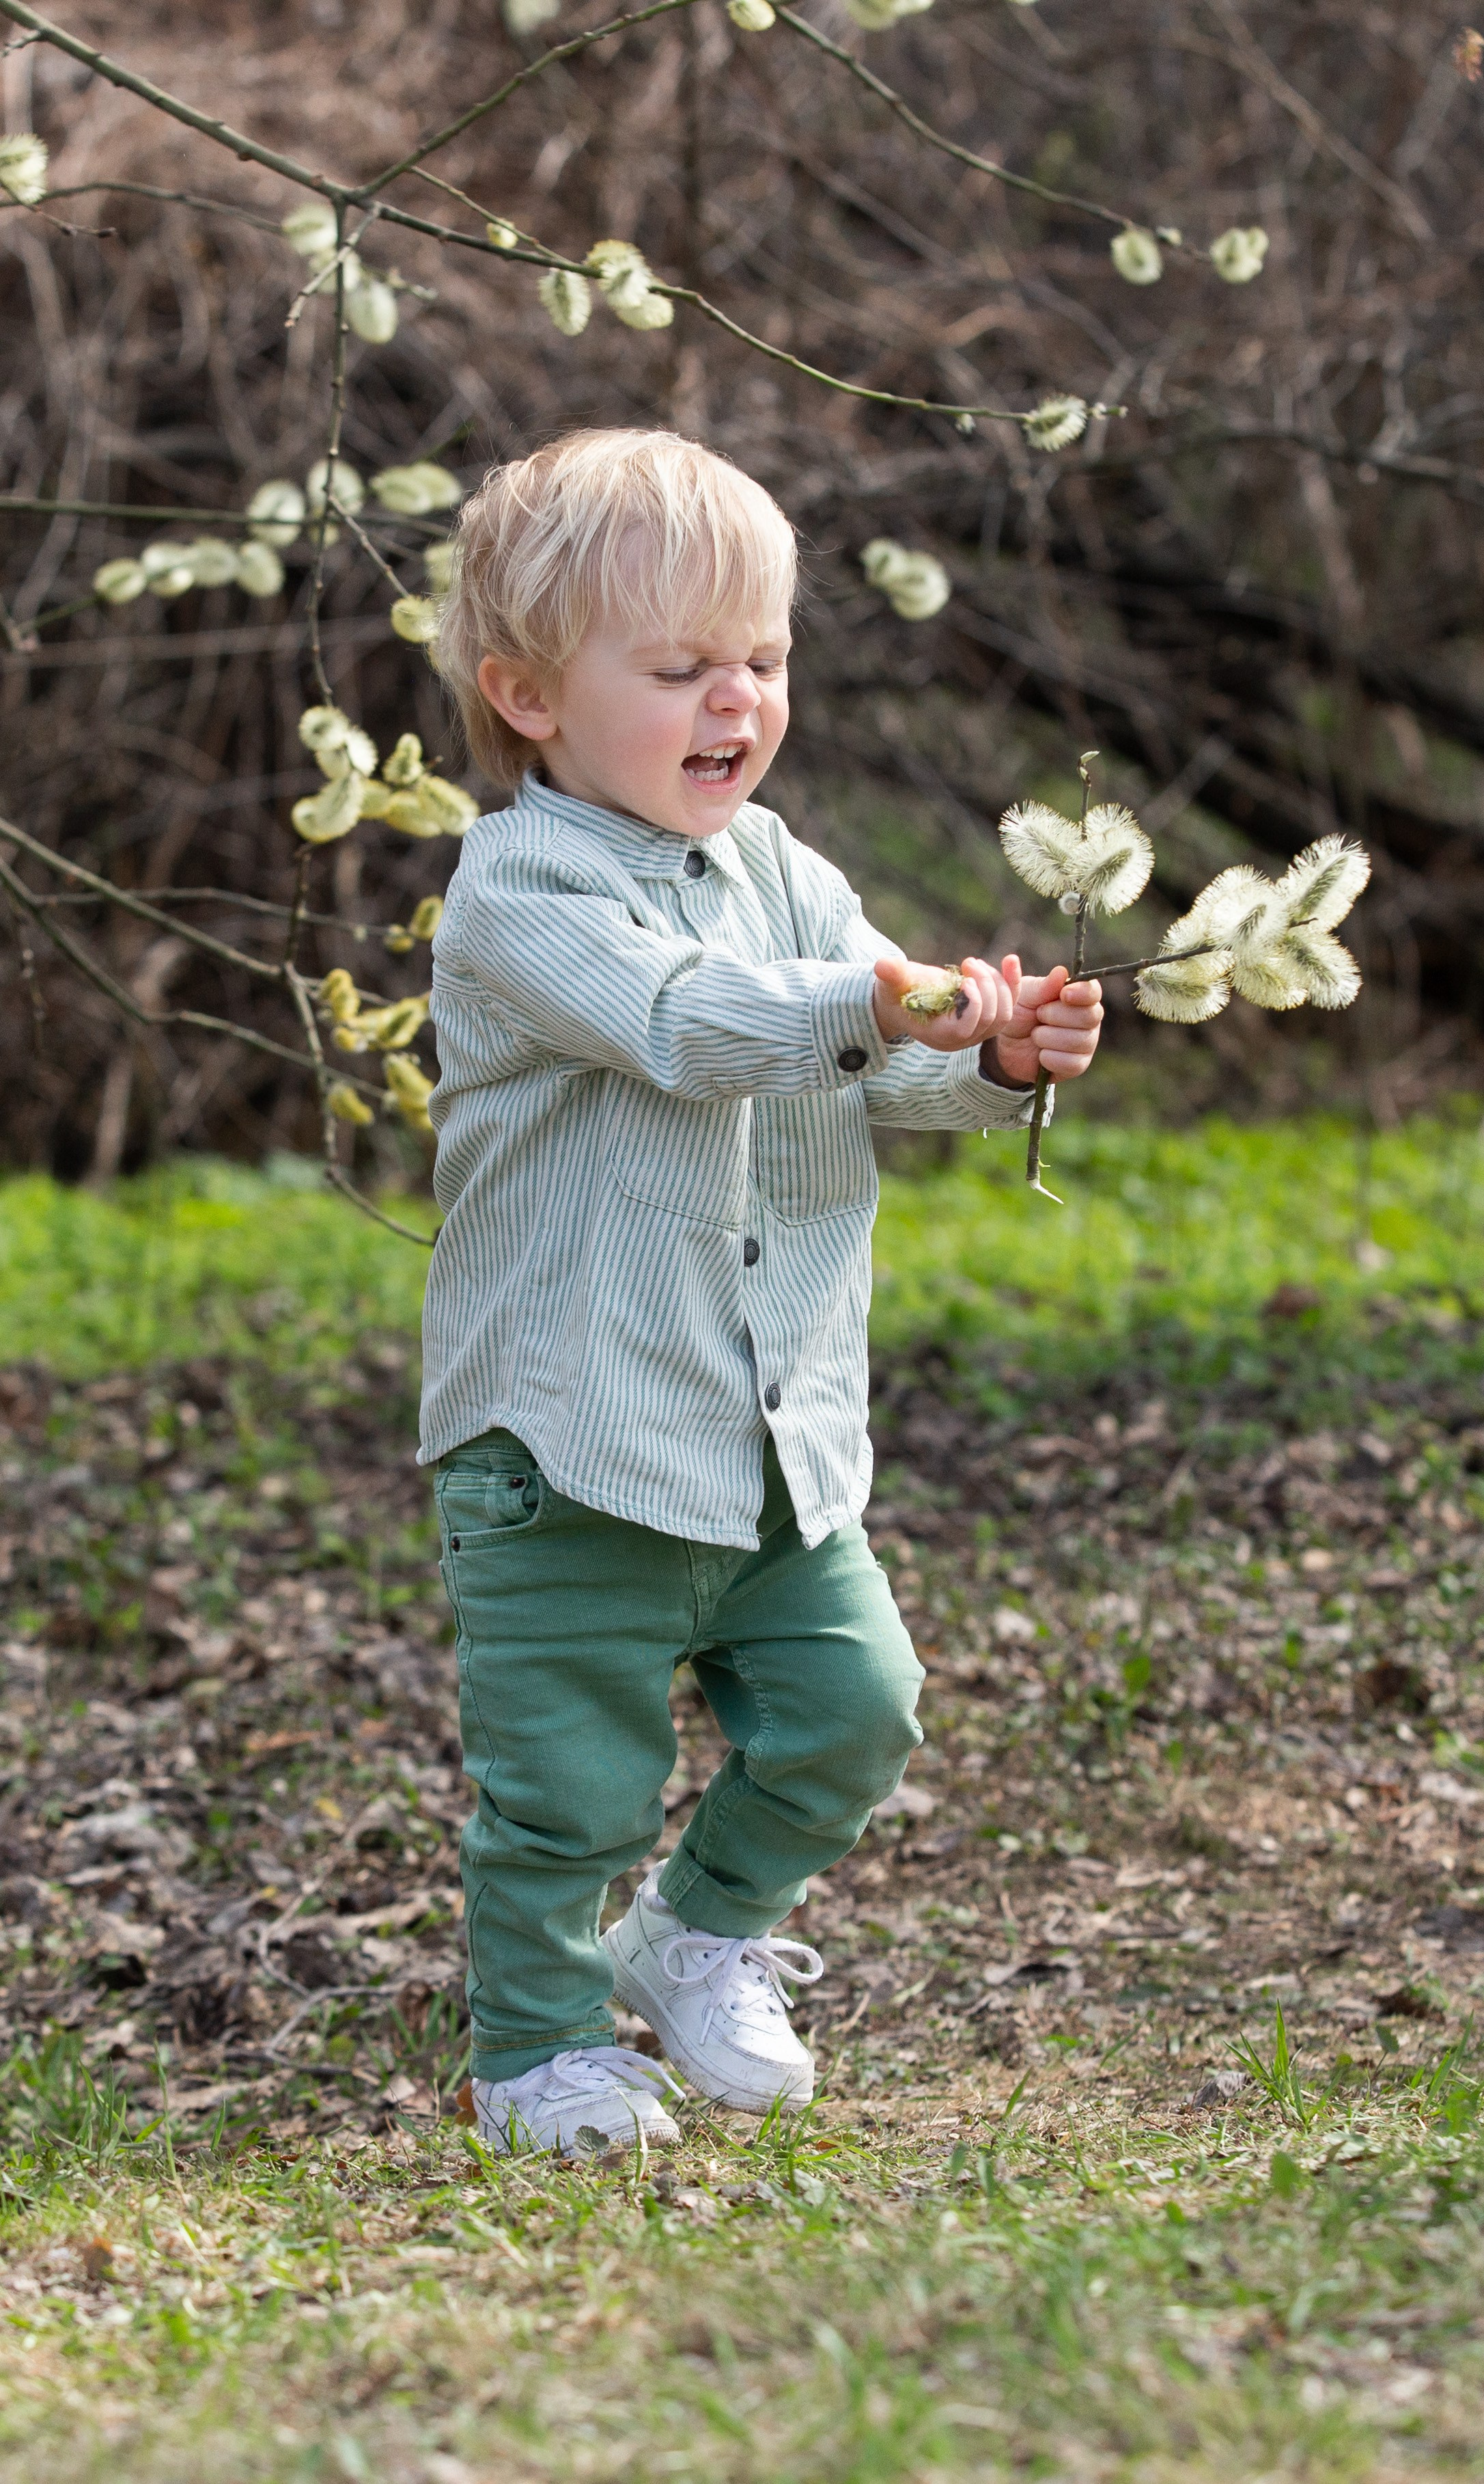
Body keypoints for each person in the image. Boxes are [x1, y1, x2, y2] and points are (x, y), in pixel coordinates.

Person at [421, 428, 1103, 2158]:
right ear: (526, 695)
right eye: (678, 669)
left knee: (854, 1709)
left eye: (765, 659)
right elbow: (688, 1027)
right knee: (564, 1784)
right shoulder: (519, 890)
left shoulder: (789, 872)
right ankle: (539, 2048)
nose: (736, 698)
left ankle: (699, 1929)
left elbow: (867, 1073)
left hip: (772, 1430)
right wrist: (881, 999)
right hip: (569, 1433)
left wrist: (995, 1058)